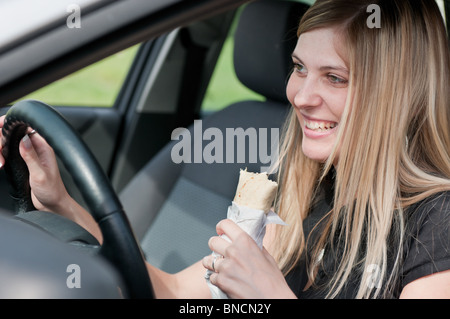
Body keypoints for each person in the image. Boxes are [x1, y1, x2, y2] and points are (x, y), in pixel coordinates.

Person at [0, 0, 449, 299]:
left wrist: (270, 296)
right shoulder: (303, 191)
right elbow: (172, 291)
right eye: (298, 67)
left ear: (395, 95)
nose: (301, 95)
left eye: (334, 77)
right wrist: (60, 203)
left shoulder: (436, 226)